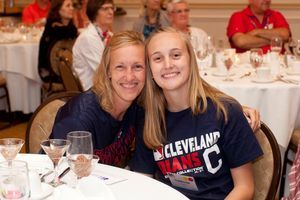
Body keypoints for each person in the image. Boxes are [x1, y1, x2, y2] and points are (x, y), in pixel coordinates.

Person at [130, 27, 263, 199]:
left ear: (191, 60)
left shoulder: (225, 112)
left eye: (176, 55)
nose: (168, 64)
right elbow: (143, 185)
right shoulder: (148, 119)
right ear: (150, 70)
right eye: (157, 58)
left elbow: (245, 187)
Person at [51, 31, 146, 168]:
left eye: (137, 66)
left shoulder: (138, 105)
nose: (129, 76)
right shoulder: (79, 119)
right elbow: (66, 176)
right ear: (108, 71)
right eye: (120, 67)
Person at [72, 0, 115, 91]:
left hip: (103, 85)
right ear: (94, 13)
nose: (111, 12)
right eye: (105, 8)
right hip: (91, 91)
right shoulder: (88, 38)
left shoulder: (109, 35)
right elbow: (103, 70)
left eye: (112, 8)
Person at [38, 0, 77, 83]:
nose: (72, 8)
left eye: (72, 6)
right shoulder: (53, 28)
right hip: (52, 74)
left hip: (68, 69)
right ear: (58, 9)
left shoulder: (70, 28)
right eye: (68, 6)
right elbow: (66, 32)